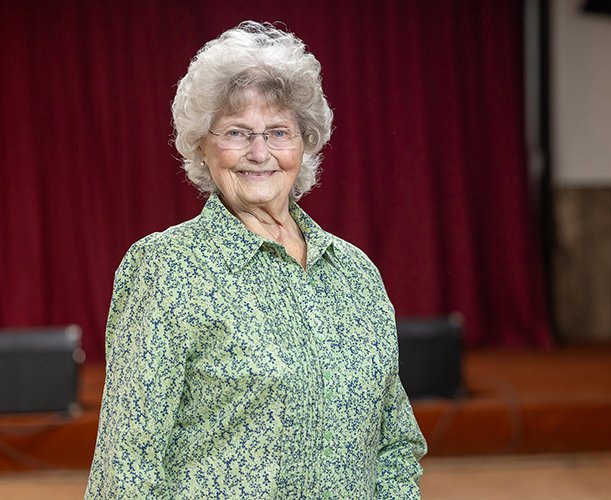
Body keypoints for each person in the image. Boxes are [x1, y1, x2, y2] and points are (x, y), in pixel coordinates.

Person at [85, 21, 427, 499]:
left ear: (305, 143)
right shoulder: (167, 268)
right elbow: (129, 462)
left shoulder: (355, 273)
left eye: (279, 132)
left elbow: (396, 443)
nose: (260, 152)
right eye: (238, 133)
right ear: (203, 145)